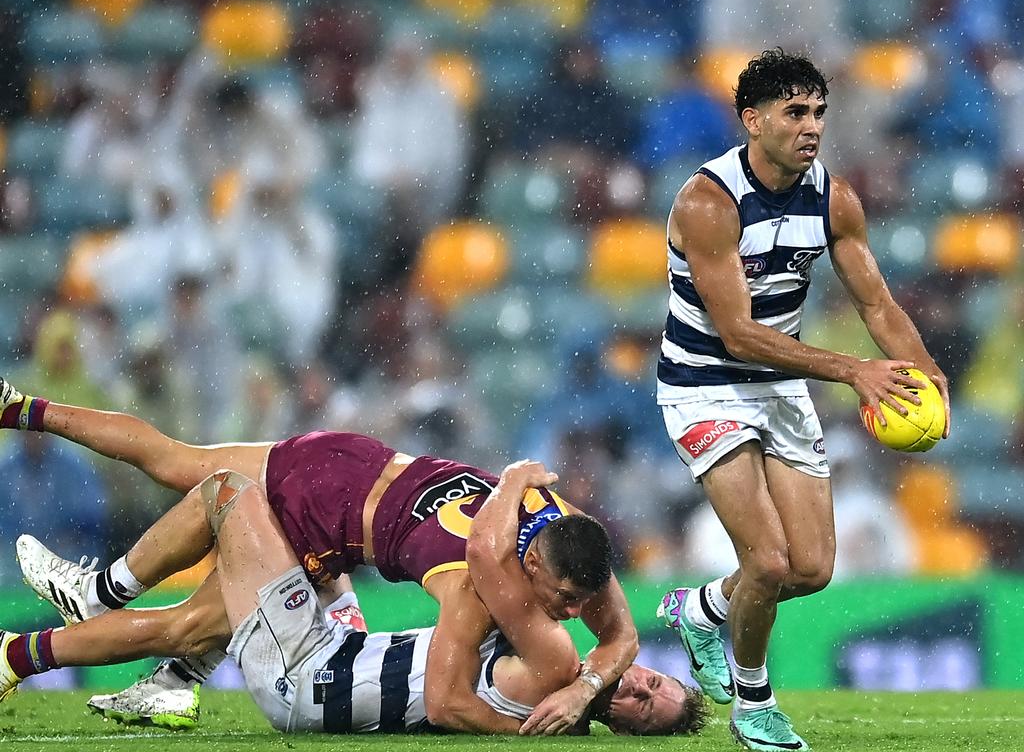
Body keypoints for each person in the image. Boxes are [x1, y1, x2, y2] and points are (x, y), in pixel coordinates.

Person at [0, 378, 639, 733]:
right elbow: (448, 698)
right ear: (530, 568)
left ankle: (21, 408)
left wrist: (586, 685)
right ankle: (102, 602)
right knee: (189, 617)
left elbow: (621, 632)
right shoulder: (480, 575)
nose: (570, 613)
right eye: (563, 601)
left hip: (355, 460)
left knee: (177, 460)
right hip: (325, 513)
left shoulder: (558, 521)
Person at [652, 48, 950, 752]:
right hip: (705, 385)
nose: (811, 125)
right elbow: (737, 333)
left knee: (812, 569)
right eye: (794, 112)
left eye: (818, 111)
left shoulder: (833, 198)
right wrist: (853, 372)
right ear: (753, 120)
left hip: (780, 386)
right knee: (770, 562)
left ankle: (698, 610)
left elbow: (877, 304)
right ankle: (753, 705)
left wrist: (922, 369)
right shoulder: (707, 203)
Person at [0, 475, 708, 736]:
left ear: (628, 725)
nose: (641, 681)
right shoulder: (562, 671)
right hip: (345, 651)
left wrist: (519, 476)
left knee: (230, 492)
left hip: (308, 679)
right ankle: (142, 677)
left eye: (646, 702)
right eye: (656, 680)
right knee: (304, 554)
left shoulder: (552, 659)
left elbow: (490, 556)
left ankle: (98, 595)